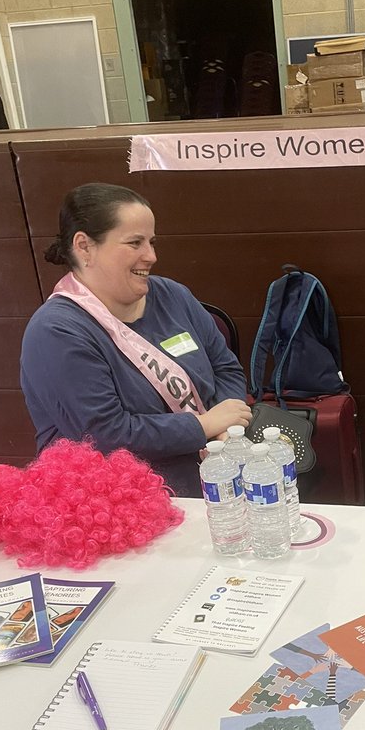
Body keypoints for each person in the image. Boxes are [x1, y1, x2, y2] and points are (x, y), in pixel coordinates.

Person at [20, 183, 251, 497]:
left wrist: (227, 427)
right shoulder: (56, 331)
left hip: (214, 473)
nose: (151, 256)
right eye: (135, 243)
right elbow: (106, 435)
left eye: (152, 242)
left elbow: (227, 368)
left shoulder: (173, 295)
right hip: (117, 503)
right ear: (84, 247)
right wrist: (202, 426)